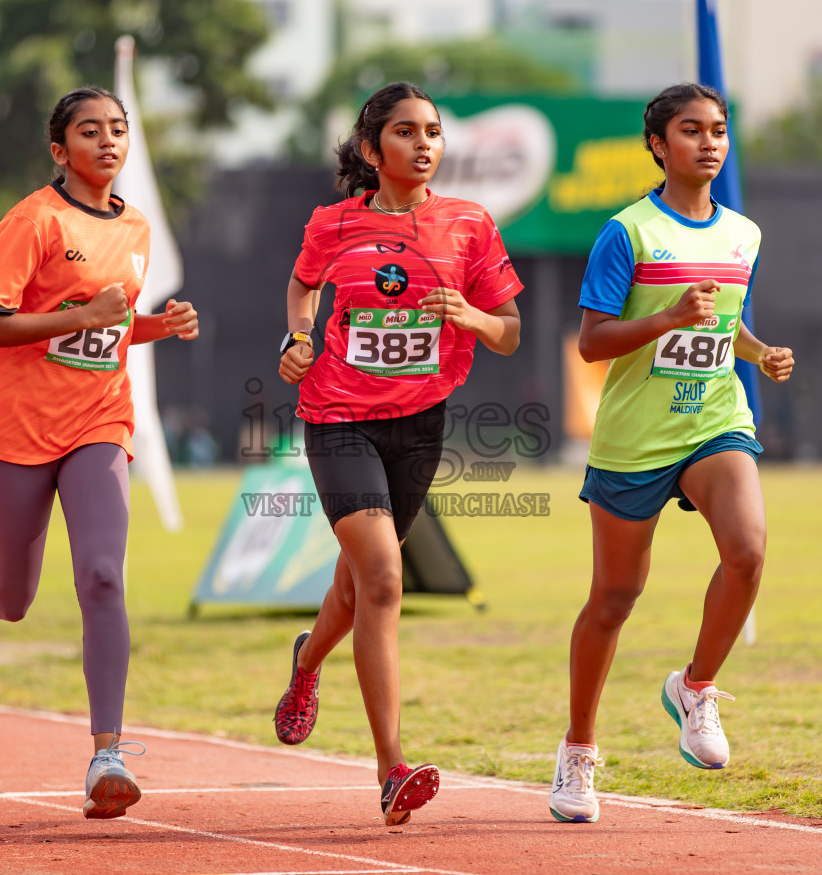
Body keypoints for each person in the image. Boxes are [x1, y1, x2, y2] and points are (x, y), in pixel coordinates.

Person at [0, 86, 198, 820]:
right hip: (14, 427)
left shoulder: (138, 225)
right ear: (60, 150)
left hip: (98, 421)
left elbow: (105, 332)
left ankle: (107, 754)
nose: (109, 142)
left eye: (118, 130)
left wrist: (156, 326)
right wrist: (84, 313)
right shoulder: (33, 222)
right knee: (16, 598)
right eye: (91, 132)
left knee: (102, 576)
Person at [273, 81, 525, 825]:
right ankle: (391, 769)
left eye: (435, 132)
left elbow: (510, 331)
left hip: (420, 424)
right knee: (382, 578)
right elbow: (302, 284)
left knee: (357, 588)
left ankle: (306, 663)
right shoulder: (334, 223)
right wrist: (298, 336)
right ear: (370, 148)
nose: (425, 145)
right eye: (407, 131)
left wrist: (473, 315)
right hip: (337, 418)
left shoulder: (470, 225)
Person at [547, 83, 795, 824]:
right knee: (615, 599)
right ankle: (578, 751)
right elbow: (591, 343)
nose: (710, 143)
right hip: (633, 437)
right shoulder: (626, 234)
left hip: (715, 418)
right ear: (658, 144)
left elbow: (724, 322)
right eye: (692, 131)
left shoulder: (743, 234)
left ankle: (696, 686)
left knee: (748, 551)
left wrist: (760, 350)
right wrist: (662, 319)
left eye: (719, 130)